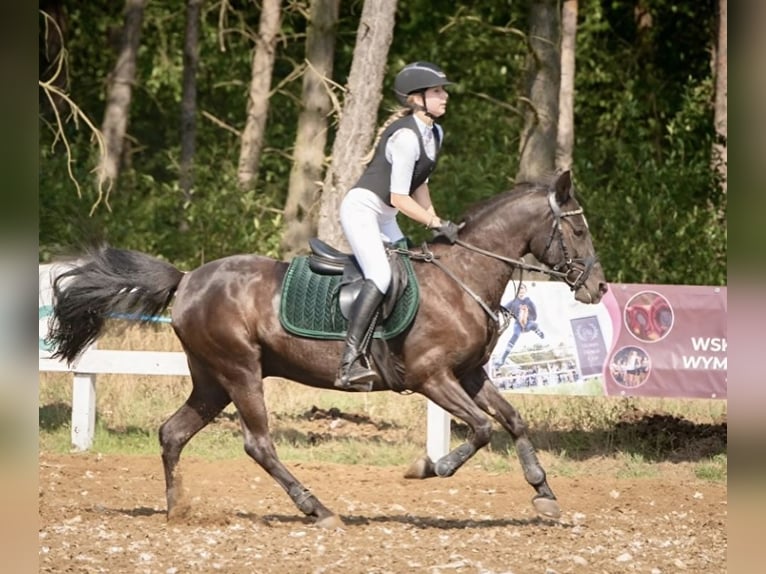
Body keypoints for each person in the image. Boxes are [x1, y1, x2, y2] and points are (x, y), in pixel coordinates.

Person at [335, 61, 461, 390]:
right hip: (363, 210)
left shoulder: (435, 132)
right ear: (416, 98)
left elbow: (420, 186)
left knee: (409, 273)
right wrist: (435, 221)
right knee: (381, 275)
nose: (444, 96)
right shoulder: (405, 136)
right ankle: (349, 361)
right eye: (437, 91)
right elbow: (400, 197)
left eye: (442, 90)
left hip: (386, 216)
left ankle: (394, 346)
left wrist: (437, 222)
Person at [494, 284, 545, 369]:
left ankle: (537, 330)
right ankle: (502, 358)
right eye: (519, 289)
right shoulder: (514, 301)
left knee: (532, 325)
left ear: (525, 290)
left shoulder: (529, 302)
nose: (520, 290)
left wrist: (528, 318)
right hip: (518, 323)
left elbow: (535, 314)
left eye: (522, 288)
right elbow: (503, 308)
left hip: (528, 322)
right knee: (515, 335)